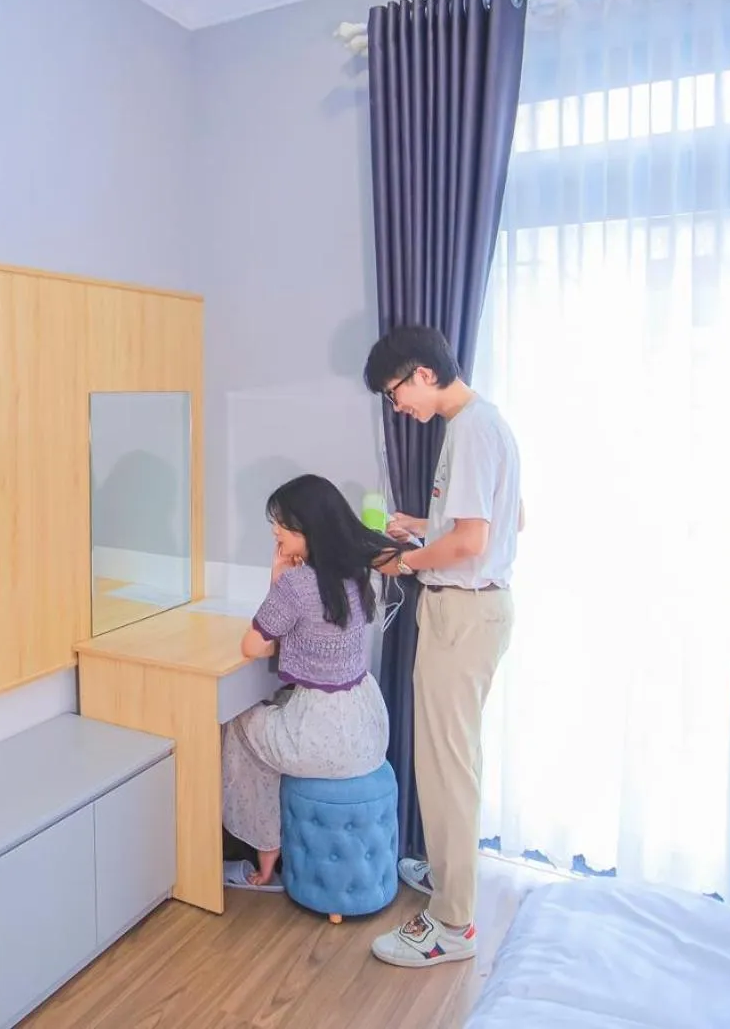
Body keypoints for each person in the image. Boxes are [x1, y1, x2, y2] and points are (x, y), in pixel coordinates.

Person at [361, 325, 522, 968]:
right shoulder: (480, 424)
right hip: (472, 611)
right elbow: (504, 519)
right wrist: (422, 527)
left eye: (395, 392)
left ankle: (453, 925)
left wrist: (406, 560)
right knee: (451, 761)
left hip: (463, 611)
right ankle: (451, 877)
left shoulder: (474, 429)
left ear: (422, 374)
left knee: (446, 768)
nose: (398, 405)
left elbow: (472, 544)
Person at [220, 474, 400, 891]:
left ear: (306, 528)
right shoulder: (356, 570)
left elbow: (253, 646)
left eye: (280, 524)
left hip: (322, 738)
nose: (274, 532)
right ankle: (271, 850)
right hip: (367, 730)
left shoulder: (299, 585)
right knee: (270, 714)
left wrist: (276, 580)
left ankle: (265, 859)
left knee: (238, 723)